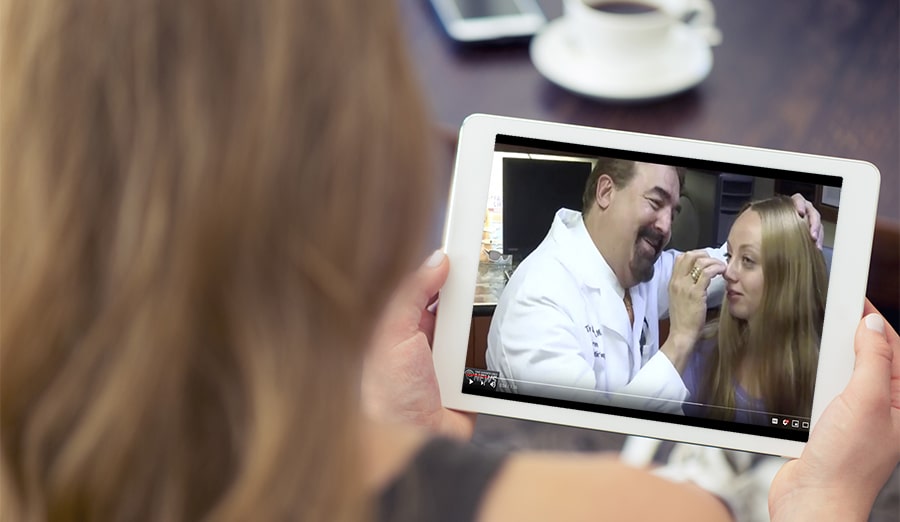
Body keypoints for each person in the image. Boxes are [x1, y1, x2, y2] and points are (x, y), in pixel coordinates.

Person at [1, 2, 897, 522]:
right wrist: (823, 502)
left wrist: (783, 238)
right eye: (655, 202)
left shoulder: (648, 266)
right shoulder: (634, 501)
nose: (670, 225)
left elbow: (699, 266)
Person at [484, 158, 823, 413]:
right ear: (605, 192)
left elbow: (716, 267)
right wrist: (680, 339)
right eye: (655, 202)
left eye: (673, 212)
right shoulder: (539, 301)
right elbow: (595, 437)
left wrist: (783, 223)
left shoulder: (635, 267)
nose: (665, 226)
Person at [682, 196, 829, 424]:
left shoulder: (829, 381)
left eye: (747, 260)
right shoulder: (704, 355)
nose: (728, 272)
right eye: (729, 256)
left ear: (788, 275)